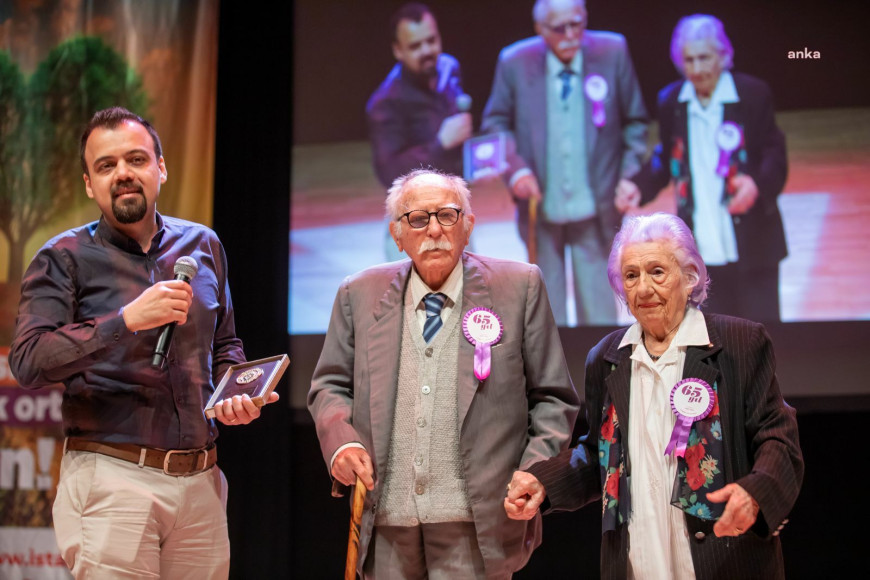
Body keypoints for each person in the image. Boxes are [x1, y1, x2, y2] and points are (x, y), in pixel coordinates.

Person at [9, 107, 278, 579]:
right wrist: (126, 320)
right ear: (90, 184)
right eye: (106, 165)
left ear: (161, 168)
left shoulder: (203, 245)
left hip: (201, 481)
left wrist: (234, 397)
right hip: (113, 478)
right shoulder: (63, 258)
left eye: (135, 159)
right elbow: (29, 361)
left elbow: (225, 345)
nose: (123, 174)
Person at [308, 168, 579, 579]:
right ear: (398, 235)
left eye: (447, 215)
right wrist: (341, 445)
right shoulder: (357, 294)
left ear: (468, 226)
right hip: (386, 522)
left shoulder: (519, 286)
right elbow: (329, 385)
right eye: (418, 219)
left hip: (478, 525)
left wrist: (535, 468)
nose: (434, 229)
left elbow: (553, 397)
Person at [505, 213, 804, 579]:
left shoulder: (738, 344)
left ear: (690, 276)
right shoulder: (607, 358)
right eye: (631, 276)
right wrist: (544, 482)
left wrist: (755, 493)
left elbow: (778, 438)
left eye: (657, 272)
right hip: (637, 561)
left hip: (724, 560)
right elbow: (599, 456)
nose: (643, 288)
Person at [481, 0, 648, 326]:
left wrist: (629, 175)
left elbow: (636, 122)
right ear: (540, 29)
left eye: (578, 24)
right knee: (547, 316)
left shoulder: (612, 51)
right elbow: (495, 123)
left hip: (596, 209)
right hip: (542, 211)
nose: (571, 35)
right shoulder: (515, 61)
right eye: (560, 28)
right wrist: (517, 171)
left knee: (600, 315)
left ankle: (599, 375)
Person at [625, 14, 788, 322]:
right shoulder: (672, 101)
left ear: (723, 56)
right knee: (716, 340)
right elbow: (666, 158)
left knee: (764, 337)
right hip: (702, 250)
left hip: (754, 244)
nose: (697, 69)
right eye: (689, 60)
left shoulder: (752, 94)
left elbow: (774, 154)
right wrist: (637, 185)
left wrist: (756, 184)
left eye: (704, 58)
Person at [367, 3, 473, 261]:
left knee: (468, 297)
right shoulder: (385, 103)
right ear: (398, 50)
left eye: (431, 40)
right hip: (413, 222)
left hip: (455, 211)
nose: (427, 51)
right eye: (415, 46)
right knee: (417, 300)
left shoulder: (449, 68)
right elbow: (390, 172)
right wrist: (440, 143)